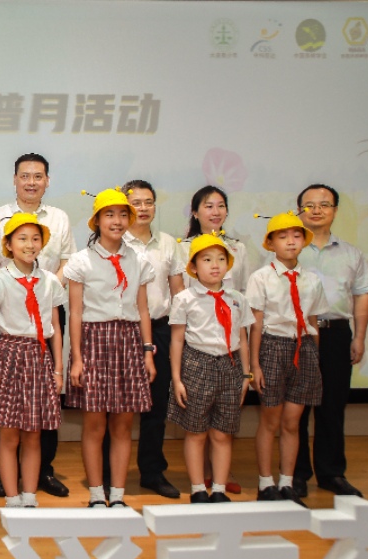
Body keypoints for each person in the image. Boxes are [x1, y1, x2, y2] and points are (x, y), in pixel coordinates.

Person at [0, 153, 76, 499]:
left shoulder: (59, 218)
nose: (31, 182)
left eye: (38, 176)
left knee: (43, 410)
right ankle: (7, 477)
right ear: (15, 179)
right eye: (25, 176)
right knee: (6, 414)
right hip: (10, 311)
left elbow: (67, 260)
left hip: (47, 307)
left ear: (47, 180)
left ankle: (42, 472)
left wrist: (48, 288)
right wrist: (12, 290)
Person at [64, 188, 156, 508]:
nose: (116, 221)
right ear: (97, 221)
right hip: (94, 341)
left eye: (122, 215)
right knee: (94, 425)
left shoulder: (139, 260)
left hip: (129, 341)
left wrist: (147, 352)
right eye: (109, 215)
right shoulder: (81, 261)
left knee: (123, 424)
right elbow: (76, 313)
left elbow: (143, 309)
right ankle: (95, 494)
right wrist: (77, 358)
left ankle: (117, 496)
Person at [102, 180, 185, 499]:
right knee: (113, 406)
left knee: (155, 405)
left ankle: (152, 472)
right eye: (135, 203)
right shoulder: (113, 241)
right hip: (121, 331)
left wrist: (180, 332)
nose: (143, 208)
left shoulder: (168, 244)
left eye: (148, 202)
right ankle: (108, 474)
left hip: (160, 330)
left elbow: (178, 291)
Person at [293, 184, 368, 498]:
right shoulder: (289, 249)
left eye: (324, 204)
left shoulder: (352, 254)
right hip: (297, 335)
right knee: (296, 408)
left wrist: (360, 337)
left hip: (337, 333)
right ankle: (296, 474)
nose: (316, 210)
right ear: (299, 210)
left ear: (335, 211)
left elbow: (361, 296)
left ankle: (331, 473)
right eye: (309, 205)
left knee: (332, 406)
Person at [0, 213, 66, 508]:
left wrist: (58, 369)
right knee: (9, 435)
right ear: (8, 244)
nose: (30, 245)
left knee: (33, 434)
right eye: (22, 238)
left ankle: (29, 497)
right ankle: (12, 497)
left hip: (39, 357)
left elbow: (55, 327)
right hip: (10, 356)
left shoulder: (50, 281)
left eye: (35, 238)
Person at [246, 212, 327, 508]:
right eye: (282, 237)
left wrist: (314, 357)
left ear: (303, 241)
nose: (290, 242)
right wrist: (254, 365)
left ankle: (287, 482)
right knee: (270, 420)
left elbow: (313, 321)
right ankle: (265, 482)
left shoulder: (312, 280)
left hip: (303, 348)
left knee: (293, 422)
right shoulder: (261, 278)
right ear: (271, 243)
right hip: (272, 347)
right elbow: (255, 324)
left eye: (296, 236)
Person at [168, 233, 253, 503]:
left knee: (223, 433)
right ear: (193, 267)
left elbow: (242, 338)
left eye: (220, 259)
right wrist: (177, 378)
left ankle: (218, 488)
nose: (215, 265)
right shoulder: (184, 298)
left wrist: (246, 374)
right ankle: (197, 488)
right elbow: (177, 340)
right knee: (196, 432)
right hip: (197, 364)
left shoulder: (237, 298)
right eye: (206, 260)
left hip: (230, 365)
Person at [178, 186, 250, 292]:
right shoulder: (182, 249)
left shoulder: (238, 248)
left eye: (221, 206)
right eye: (209, 206)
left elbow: (245, 289)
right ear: (195, 213)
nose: (216, 212)